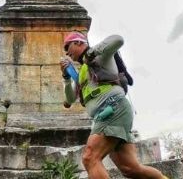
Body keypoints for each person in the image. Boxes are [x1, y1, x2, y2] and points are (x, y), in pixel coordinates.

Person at [60, 31, 168, 179]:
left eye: (68, 47)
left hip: (113, 109)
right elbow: (70, 99)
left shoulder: (100, 56)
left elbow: (118, 39)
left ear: (78, 43)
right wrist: (66, 78)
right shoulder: (82, 71)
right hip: (108, 114)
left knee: (90, 158)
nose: (66, 52)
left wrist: (92, 52)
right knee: (130, 168)